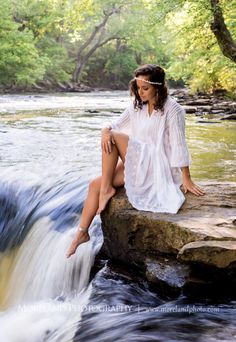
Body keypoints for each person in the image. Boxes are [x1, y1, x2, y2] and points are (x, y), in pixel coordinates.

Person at [66, 64, 205, 258]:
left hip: (158, 165)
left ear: (158, 86)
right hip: (139, 160)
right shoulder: (136, 105)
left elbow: (179, 145)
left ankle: (107, 189)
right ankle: (81, 233)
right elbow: (114, 124)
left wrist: (186, 178)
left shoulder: (174, 110)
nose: (140, 92)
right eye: (137, 87)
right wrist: (103, 130)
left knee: (113, 136)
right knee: (94, 184)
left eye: (145, 88)